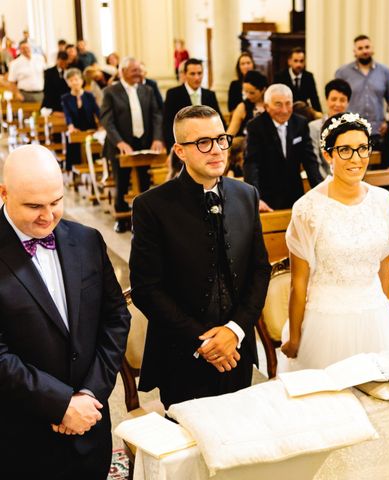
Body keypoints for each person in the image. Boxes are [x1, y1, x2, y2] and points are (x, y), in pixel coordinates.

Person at [0, 144, 130, 479]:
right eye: (34, 206)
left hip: (91, 426)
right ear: (4, 193)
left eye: (56, 202)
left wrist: (89, 395)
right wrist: (61, 404)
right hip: (23, 435)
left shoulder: (87, 240)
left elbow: (115, 318)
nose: (48, 215)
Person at [130, 105, 271, 409]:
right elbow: (146, 289)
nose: (217, 150)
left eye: (221, 139)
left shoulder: (247, 195)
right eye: (203, 143)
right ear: (180, 151)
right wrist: (203, 341)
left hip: (236, 349)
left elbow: (260, 270)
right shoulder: (152, 206)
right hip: (181, 353)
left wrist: (235, 330)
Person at [279, 112, 389, 370]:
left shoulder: (382, 202)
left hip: (375, 315)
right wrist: (294, 336)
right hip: (326, 320)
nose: (356, 159)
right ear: (328, 155)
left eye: (362, 149)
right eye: (345, 150)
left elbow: (383, 266)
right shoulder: (308, 208)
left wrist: (387, 314)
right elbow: (298, 282)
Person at [100, 57, 164, 233]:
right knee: (121, 182)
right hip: (120, 144)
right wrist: (119, 142)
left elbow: (156, 115)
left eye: (139, 70)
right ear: (122, 72)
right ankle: (121, 218)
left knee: (144, 182)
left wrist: (157, 138)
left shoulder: (147, 90)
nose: (138, 73)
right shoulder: (110, 91)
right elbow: (107, 120)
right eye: (133, 70)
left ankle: (141, 218)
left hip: (143, 142)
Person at [244, 83, 323, 211]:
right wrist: (255, 198)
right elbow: (252, 164)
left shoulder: (300, 123)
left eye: (288, 103)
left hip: (295, 197)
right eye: (278, 104)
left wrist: (320, 192)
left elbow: (310, 162)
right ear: (266, 107)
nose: (285, 110)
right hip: (267, 199)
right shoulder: (255, 126)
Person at [164, 57, 225, 172]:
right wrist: (170, 151)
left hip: (207, 146)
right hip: (185, 146)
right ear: (185, 74)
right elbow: (167, 124)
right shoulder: (173, 94)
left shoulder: (209, 94)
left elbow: (219, 120)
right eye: (192, 74)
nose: (197, 77)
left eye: (199, 73)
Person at [335, 34, 389, 150]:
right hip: (351, 130)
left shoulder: (385, 71)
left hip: (378, 131)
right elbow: (337, 101)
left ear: (372, 49)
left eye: (367, 47)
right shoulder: (342, 73)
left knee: (377, 166)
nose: (364, 51)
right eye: (360, 48)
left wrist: (387, 121)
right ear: (354, 51)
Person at [309, 78, 352, 178]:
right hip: (324, 183)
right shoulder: (314, 127)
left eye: (342, 100)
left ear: (348, 103)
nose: (337, 104)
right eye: (333, 99)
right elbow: (315, 163)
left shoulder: (354, 127)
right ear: (327, 100)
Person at [61, 68, 100, 171]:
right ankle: (73, 169)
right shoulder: (66, 98)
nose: (75, 82)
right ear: (68, 83)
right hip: (75, 129)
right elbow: (67, 115)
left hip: (90, 128)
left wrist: (102, 126)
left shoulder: (89, 95)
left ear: (81, 80)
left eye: (76, 79)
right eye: (71, 80)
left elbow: (98, 112)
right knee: (72, 141)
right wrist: (71, 127)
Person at [273, 47, 322, 114]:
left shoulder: (308, 76)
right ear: (289, 62)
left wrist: (319, 114)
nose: (299, 64)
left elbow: (314, 98)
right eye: (295, 61)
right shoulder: (280, 76)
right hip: (285, 111)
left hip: (303, 112)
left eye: (301, 61)